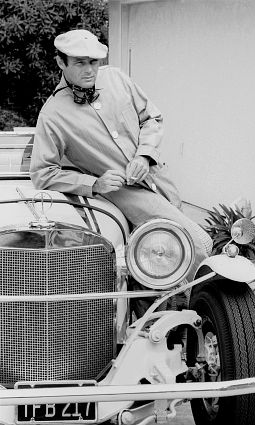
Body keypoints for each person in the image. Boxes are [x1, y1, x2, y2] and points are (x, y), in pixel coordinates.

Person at [30, 29, 212, 297]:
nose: (90, 70)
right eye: (80, 62)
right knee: (197, 243)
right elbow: (42, 173)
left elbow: (152, 118)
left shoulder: (117, 79)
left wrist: (144, 154)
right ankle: (212, 313)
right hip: (126, 195)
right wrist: (95, 183)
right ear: (61, 62)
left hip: (159, 180)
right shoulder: (52, 114)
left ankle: (174, 318)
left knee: (162, 261)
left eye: (94, 61)